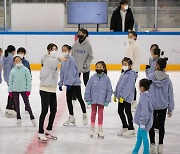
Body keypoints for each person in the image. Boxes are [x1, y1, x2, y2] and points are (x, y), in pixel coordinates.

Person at [38, 43, 66, 142]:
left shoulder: (55, 59)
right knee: (44, 111)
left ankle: (49, 129)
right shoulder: (45, 58)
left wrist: (61, 58)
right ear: (48, 50)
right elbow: (52, 63)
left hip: (52, 89)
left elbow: (57, 62)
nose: (54, 50)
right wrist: (59, 58)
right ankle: (40, 132)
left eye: (55, 49)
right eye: (52, 49)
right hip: (44, 88)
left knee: (54, 110)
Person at [147, 58, 174, 154]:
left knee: (151, 125)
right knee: (161, 125)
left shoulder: (150, 77)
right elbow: (170, 94)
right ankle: (160, 146)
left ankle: (152, 145)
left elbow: (146, 91)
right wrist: (170, 108)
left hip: (152, 105)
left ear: (157, 66)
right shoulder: (168, 80)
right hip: (163, 106)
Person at [58, 44, 88, 126]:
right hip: (68, 83)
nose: (64, 51)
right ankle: (71, 117)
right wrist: (61, 83)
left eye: (65, 50)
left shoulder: (71, 60)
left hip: (75, 83)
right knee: (68, 100)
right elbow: (62, 73)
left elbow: (72, 72)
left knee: (79, 98)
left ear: (69, 51)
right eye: (62, 50)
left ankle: (84, 115)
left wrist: (70, 83)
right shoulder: (63, 61)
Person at [84, 61, 113, 138]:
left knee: (100, 113)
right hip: (93, 99)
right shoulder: (93, 77)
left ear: (103, 68)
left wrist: (107, 100)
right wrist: (88, 98)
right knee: (93, 113)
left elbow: (109, 90)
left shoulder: (106, 78)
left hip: (102, 100)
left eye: (100, 67)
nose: (98, 68)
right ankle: (92, 127)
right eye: (97, 67)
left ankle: (100, 128)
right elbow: (88, 88)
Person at [8, 55, 36, 126]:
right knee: (17, 105)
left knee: (27, 104)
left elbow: (28, 80)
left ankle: (32, 117)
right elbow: (10, 81)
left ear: (21, 61)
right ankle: (18, 118)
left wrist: (28, 89)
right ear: (14, 62)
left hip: (24, 89)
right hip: (15, 89)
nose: (18, 62)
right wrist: (10, 90)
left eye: (19, 60)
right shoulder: (13, 71)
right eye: (16, 61)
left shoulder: (25, 70)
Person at [114, 57, 137, 137]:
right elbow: (119, 84)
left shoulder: (131, 75)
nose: (124, 66)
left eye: (125, 64)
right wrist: (116, 94)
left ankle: (131, 128)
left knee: (127, 112)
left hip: (127, 97)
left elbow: (128, 87)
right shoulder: (123, 73)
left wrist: (123, 96)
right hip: (121, 96)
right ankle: (125, 126)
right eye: (123, 64)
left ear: (130, 65)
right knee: (120, 111)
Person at [72, 28, 94, 103]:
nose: (80, 34)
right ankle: (74, 96)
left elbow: (90, 56)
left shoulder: (88, 45)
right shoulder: (75, 44)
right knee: (75, 82)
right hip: (76, 67)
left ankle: (90, 97)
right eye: (79, 33)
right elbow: (72, 54)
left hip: (85, 68)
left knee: (86, 82)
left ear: (85, 34)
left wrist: (85, 65)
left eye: (82, 33)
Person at [132, 79, 153, 154]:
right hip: (143, 122)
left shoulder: (144, 98)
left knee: (144, 138)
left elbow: (145, 112)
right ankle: (135, 151)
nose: (138, 87)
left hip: (144, 122)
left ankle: (146, 152)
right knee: (139, 138)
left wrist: (143, 123)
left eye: (139, 86)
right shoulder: (145, 96)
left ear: (142, 87)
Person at [125, 31, 141, 110]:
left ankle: (134, 101)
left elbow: (136, 58)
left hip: (133, 69)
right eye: (129, 36)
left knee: (131, 85)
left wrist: (133, 69)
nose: (130, 37)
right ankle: (129, 100)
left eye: (131, 36)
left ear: (135, 37)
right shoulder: (128, 45)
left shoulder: (136, 46)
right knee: (128, 85)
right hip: (127, 68)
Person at [2, 45, 16, 117]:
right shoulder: (11, 58)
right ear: (13, 51)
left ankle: (8, 107)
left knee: (11, 93)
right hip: (11, 78)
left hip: (6, 77)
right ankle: (11, 108)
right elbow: (12, 69)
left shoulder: (4, 56)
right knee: (13, 93)